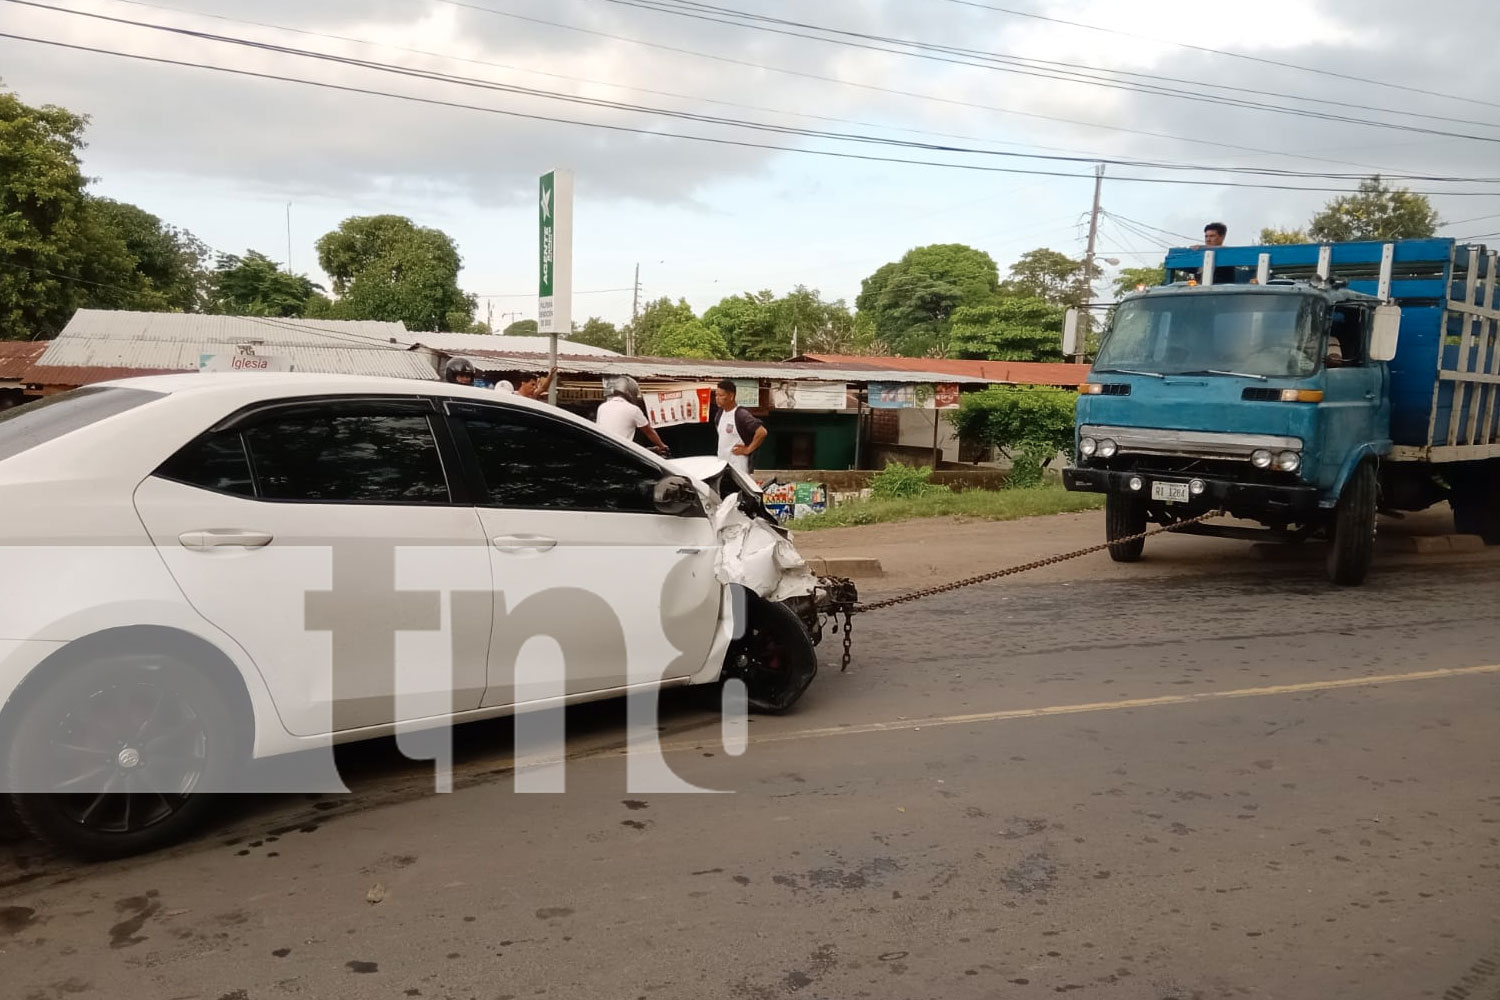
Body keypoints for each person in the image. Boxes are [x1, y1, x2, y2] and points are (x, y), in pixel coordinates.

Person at [595, 376, 670, 454]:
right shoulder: (633, 409)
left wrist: (652, 450)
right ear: (631, 392)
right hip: (619, 454)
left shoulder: (602, 407)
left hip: (602, 450)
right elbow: (649, 431)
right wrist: (662, 445)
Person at [713, 378, 766, 475]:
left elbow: (762, 432)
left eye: (721, 395)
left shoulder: (741, 414)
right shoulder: (719, 414)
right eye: (716, 395)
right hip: (722, 466)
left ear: (731, 396)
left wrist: (748, 449)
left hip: (738, 467)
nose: (717, 398)